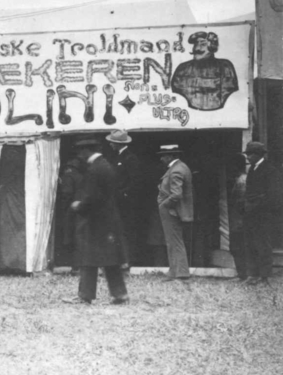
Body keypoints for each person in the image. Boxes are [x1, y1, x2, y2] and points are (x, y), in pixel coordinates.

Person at [62, 138, 128, 305]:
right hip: (108, 220)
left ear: (86, 151)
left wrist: (79, 205)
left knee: (87, 258)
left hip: (94, 221)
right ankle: (119, 294)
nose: (80, 156)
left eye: (81, 152)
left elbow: (93, 197)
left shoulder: (95, 169)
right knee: (110, 259)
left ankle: (85, 295)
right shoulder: (105, 165)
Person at [242, 142, 282, 286]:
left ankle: (265, 277)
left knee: (263, 244)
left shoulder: (270, 170)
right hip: (251, 213)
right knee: (251, 243)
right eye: (247, 154)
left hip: (263, 214)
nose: (248, 157)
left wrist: (256, 205)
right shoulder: (253, 169)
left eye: (250, 154)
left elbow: (274, 195)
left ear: (259, 154)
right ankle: (253, 274)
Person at [106, 130, 147, 266]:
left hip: (127, 202)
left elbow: (135, 182)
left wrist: (123, 194)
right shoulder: (117, 157)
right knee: (120, 230)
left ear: (118, 143)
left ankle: (130, 260)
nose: (110, 144)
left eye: (112, 142)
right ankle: (122, 259)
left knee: (128, 230)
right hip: (118, 201)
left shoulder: (130, 158)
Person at [156, 144, 194, 281]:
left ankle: (181, 272)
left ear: (170, 156)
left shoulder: (176, 170)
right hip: (174, 211)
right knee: (173, 241)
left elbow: (176, 194)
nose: (161, 159)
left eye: (163, 156)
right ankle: (175, 271)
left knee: (174, 241)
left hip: (172, 211)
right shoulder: (180, 167)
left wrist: (163, 205)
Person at [227, 153, 249, 282]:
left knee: (239, 246)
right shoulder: (240, 180)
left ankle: (243, 274)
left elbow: (241, 203)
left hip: (240, 221)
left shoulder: (242, 181)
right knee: (237, 247)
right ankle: (242, 274)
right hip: (238, 221)